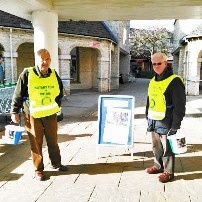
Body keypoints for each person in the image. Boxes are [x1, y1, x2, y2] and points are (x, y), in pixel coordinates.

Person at [10, 48, 68, 181]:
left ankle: (56, 163)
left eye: (47, 59)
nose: (45, 62)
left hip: (50, 114)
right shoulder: (27, 73)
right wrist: (14, 111)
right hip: (32, 114)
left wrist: (56, 105)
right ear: (37, 60)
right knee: (36, 142)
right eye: (42, 59)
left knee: (53, 140)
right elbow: (17, 93)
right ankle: (38, 169)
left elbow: (60, 92)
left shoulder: (53, 74)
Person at [145, 52, 186, 183]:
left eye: (159, 63)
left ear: (165, 63)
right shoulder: (153, 80)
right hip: (153, 120)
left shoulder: (175, 81)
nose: (156, 66)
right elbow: (149, 99)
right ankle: (158, 166)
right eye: (154, 64)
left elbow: (180, 105)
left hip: (167, 121)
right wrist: (147, 115)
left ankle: (168, 172)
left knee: (168, 148)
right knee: (156, 146)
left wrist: (176, 125)